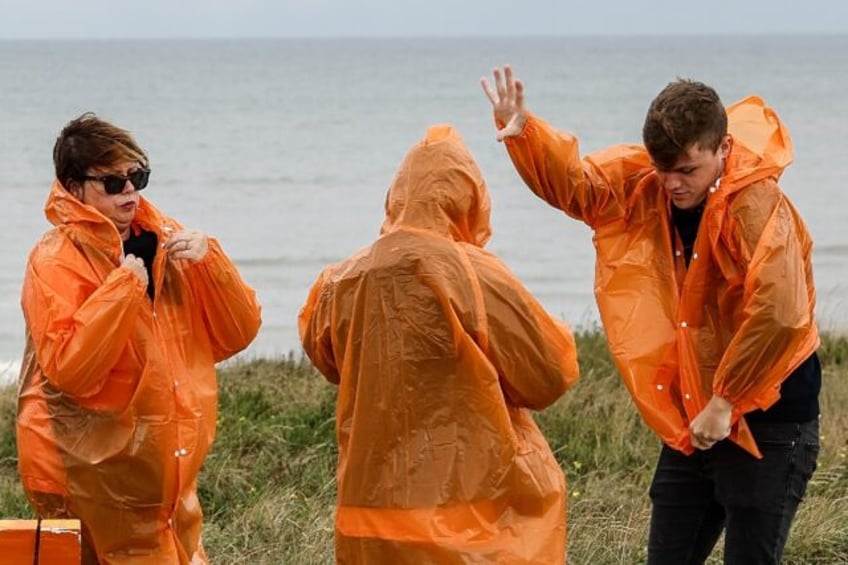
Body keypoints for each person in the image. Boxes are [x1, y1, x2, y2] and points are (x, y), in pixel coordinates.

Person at [481, 66, 820, 564]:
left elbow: (781, 313)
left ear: (722, 149)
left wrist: (726, 399)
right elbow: (582, 187)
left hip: (770, 416)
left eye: (687, 171)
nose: (672, 184)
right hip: (698, 412)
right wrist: (525, 133)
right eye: (663, 169)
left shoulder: (757, 205)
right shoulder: (651, 181)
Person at [299, 124, 580, 563]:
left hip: (370, 519)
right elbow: (548, 376)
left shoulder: (343, 280)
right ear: (468, 198)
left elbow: (326, 356)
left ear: (397, 195)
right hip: (473, 523)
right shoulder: (474, 274)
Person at [16, 113, 262, 564]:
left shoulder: (167, 240)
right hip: (85, 479)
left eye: (137, 176)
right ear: (74, 188)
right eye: (113, 183)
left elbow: (236, 334)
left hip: (166, 485)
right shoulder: (55, 261)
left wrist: (214, 266)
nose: (130, 191)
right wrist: (125, 287)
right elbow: (73, 369)